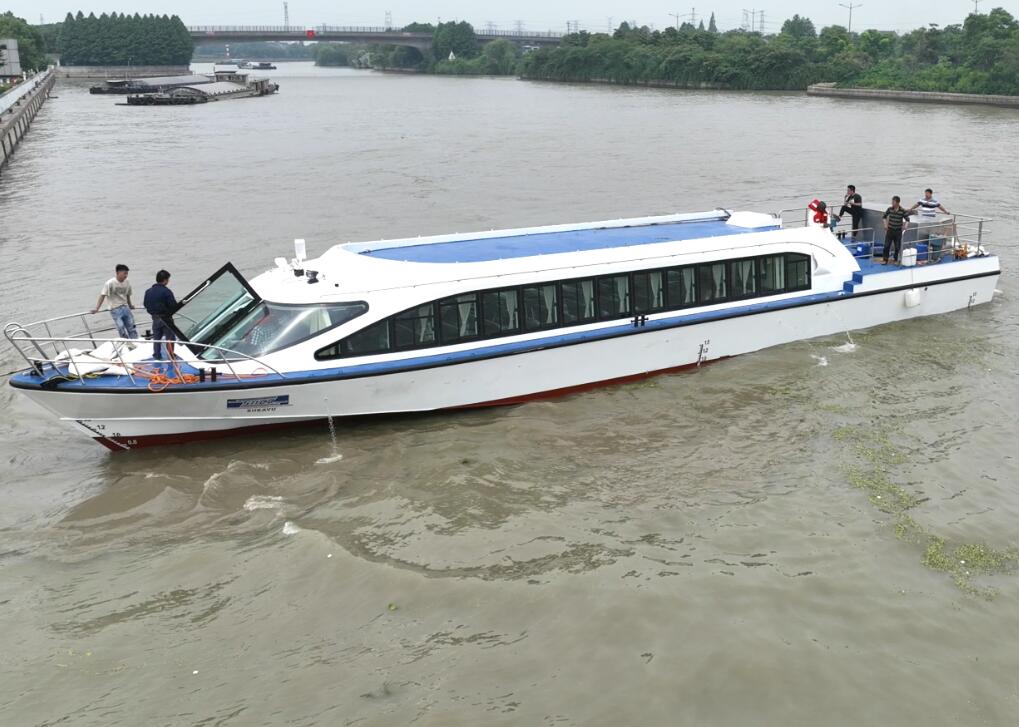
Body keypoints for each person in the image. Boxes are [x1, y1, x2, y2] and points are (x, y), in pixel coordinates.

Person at [90, 264, 137, 339]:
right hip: (115, 308)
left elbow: (128, 294)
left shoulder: (127, 281)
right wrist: (97, 309)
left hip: (125, 307)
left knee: (131, 326)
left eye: (127, 273)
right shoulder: (110, 283)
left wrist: (130, 305)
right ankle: (126, 342)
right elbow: (102, 295)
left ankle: (136, 341)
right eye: (124, 273)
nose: (126, 275)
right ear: (118, 273)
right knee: (121, 327)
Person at [143, 270, 178, 360]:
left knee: (157, 339)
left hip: (155, 318)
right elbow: (173, 305)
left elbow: (146, 304)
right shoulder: (166, 291)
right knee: (170, 338)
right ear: (165, 280)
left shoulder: (148, 291)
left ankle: (157, 355)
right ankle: (170, 356)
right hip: (166, 318)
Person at [882, 196, 911, 265]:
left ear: (897, 202)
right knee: (886, 245)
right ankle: (885, 259)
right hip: (890, 230)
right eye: (892, 201)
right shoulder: (889, 209)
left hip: (898, 231)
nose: (892, 203)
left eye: (893, 202)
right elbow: (884, 217)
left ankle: (895, 259)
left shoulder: (902, 210)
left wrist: (905, 226)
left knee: (897, 247)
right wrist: (885, 225)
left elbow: (907, 219)